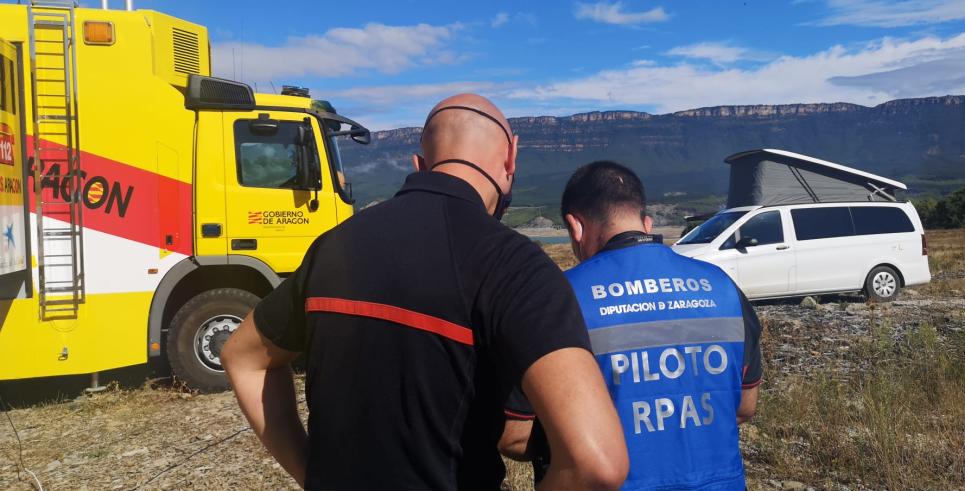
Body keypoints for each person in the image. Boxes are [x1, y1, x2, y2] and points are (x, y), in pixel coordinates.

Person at [220, 94, 628, 490]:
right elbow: (597, 464)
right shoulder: (515, 265)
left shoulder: (333, 246)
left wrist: (309, 473)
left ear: (418, 164)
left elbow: (242, 356)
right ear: (510, 158)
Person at [501, 161, 762, 490]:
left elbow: (515, 435)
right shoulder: (722, 287)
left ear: (575, 227)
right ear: (646, 222)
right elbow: (744, 405)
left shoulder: (556, 299)